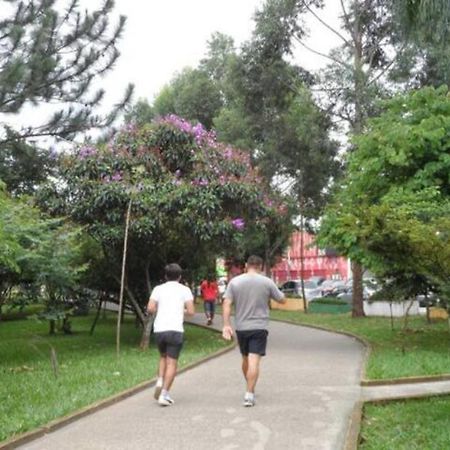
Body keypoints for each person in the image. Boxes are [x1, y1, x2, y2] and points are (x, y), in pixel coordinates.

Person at [222, 255, 285, 407]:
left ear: (246, 265)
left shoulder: (235, 282)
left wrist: (226, 324)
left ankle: (250, 386)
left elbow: (227, 303)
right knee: (254, 361)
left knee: (245, 359)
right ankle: (249, 394)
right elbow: (282, 299)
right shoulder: (267, 282)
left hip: (242, 327)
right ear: (261, 266)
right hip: (259, 327)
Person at [147, 263, 195, 406]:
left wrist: (161, 310)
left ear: (165, 276)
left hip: (160, 329)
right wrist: (181, 311)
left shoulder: (158, 289)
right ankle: (164, 394)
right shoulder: (185, 290)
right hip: (175, 329)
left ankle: (160, 380)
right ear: (180, 277)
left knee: (162, 356)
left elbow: (150, 308)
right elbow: (191, 312)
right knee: (172, 362)